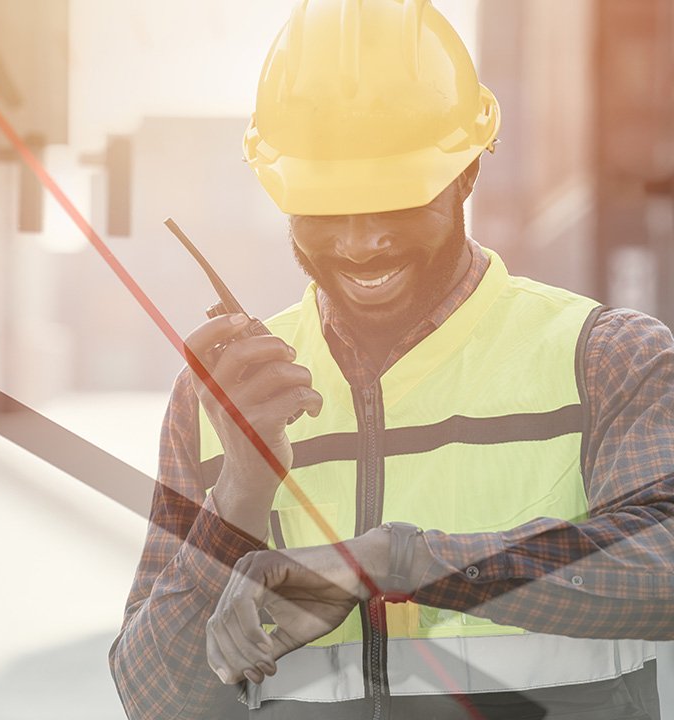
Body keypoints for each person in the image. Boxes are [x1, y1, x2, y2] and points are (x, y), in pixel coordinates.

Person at [108, 1, 674, 718]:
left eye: (396, 200)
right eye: (325, 207)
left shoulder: (602, 358)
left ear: (466, 174)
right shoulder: (217, 401)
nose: (359, 243)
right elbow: (155, 700)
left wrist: (396, 563)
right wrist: (241, 494)